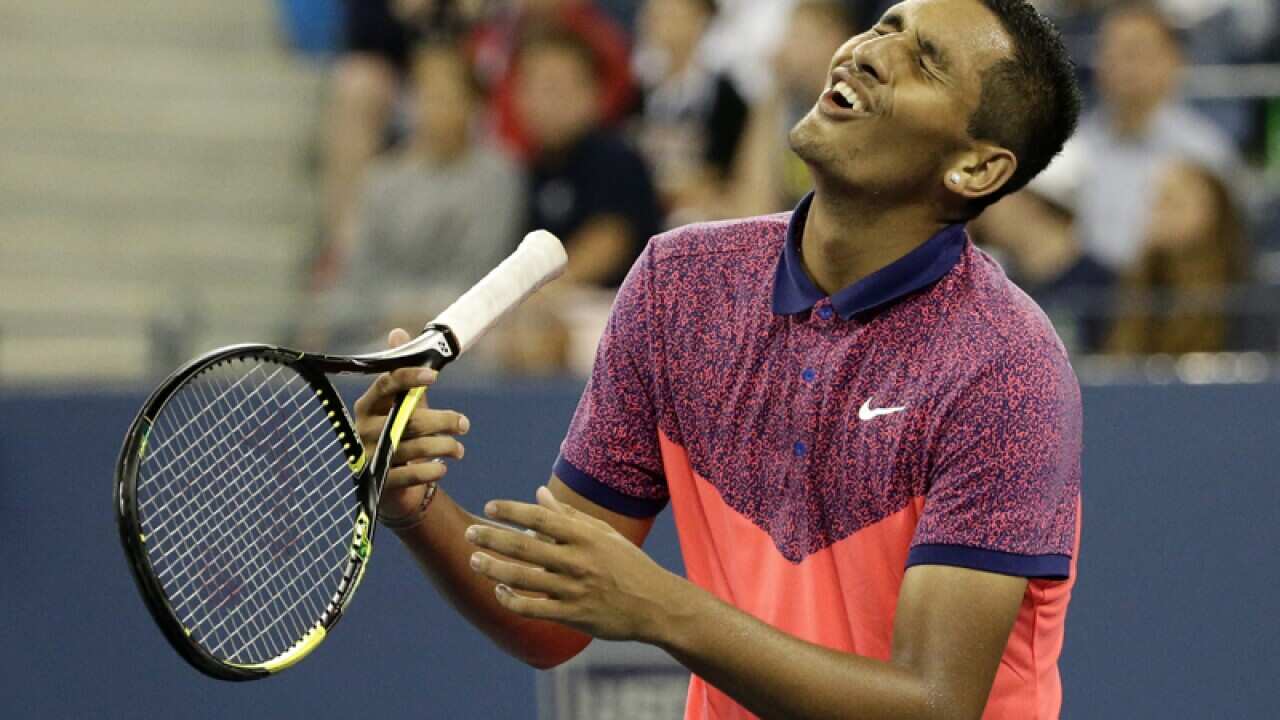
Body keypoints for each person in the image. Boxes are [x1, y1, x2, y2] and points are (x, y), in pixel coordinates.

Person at [357, 1, 1084, 718]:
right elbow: (551, 617)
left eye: (924, 61)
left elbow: (934, 705)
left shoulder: (1005, 366)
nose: (867, 51)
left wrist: (665, 609)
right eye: (883, 26)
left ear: (976, 167)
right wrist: (414, 504)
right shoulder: (680, 285)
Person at [318, 40, 522, 349]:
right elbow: (360, 270)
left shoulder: (500, 176)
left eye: (447, 97)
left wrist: (423, 315)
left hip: (468, 331)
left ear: (473, 104)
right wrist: (391, 313)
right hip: (380, 324)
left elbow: (484, 269)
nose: (435, 108)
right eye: (426, 96)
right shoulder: (382, 177)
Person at [1073, 1, 1238, 274]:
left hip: (1172, 290)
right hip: (1084, 290)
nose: (1122, 65)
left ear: (1174, 61)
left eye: (1135, 52)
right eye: (1110, 51)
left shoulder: (1206, 153)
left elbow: (1224, 250)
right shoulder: (1071, 148)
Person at [515, 27, 661, 289]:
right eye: (532, 86)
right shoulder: (526, 166)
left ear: (592, 93)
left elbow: (610, 241)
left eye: (554, 88)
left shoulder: (617, 160)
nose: (543, 101)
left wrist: (544, 289)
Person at [729, 0, 858, 216]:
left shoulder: (858, 111)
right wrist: (773, 93)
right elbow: (753, 204)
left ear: (833, 40)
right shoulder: (789, 105)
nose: (785, 49)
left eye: (799, 37)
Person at [1106, 158, 1246, 355]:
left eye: (1173, 202)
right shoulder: (1134, 287)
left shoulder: (1241, 291)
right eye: (1155, 203)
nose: (1158, 214)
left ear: (1214, 212)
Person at [632, 0, 749, 225]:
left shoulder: (726, 97)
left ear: (700, 20)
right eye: (656, 14)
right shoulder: (636, 93)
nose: (660, 22)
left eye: (673, 14)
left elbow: (732, 171)